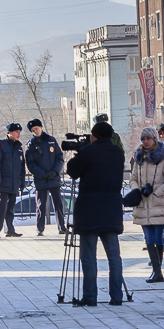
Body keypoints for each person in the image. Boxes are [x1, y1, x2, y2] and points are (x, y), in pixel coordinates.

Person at [67, 122, 125, 306]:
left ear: (94, 135)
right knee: (114, 256)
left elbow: (72, 171)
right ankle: (117, 296)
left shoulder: (88, 152)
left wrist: (80, 152)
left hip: (89, 209)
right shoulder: (118, 153)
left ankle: (90, 297)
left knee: (89, 256)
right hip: (112, 208)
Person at [129, 127, 164, 284]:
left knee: (158, 238)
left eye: (148, 138)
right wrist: (136, 190)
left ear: (154, 139)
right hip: (142, 203)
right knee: (148, 238)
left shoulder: (163, 158)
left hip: (158, 202)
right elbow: (133, 178)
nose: (145, 142)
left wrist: (156, 192)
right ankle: (156, 270)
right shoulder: (139, 158)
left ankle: (158, 271)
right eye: (143, 139)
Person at [25, 119, 65, 236]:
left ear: (41, 127)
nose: (35, 131)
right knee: (41, 205)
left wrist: (55, 171)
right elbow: (31, 164)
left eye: (36, 128)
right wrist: (42, 174)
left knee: (58, 204)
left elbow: (59, 157)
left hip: (54, 178)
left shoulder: (51, 140)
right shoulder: (31, 145)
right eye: (33, 130)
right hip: (41, 179)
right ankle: (40, 228)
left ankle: (62, 227)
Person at [0, 123, 26, 238]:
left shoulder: (19, 147)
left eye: (19, 132)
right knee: (2, 207)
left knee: (10, 207)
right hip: (4, 182)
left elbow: (21, 167)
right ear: (9, 133)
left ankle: (10, 229)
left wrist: (22, 182)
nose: (18, 134)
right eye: (16, 132)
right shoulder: (1, 145)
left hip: (14, 182)